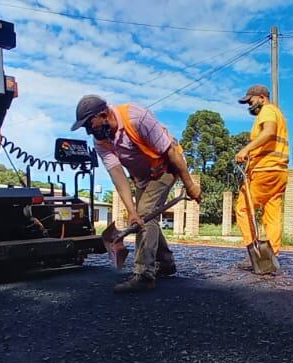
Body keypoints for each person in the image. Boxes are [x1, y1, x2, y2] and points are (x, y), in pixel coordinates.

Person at [72, 95, 203, 293]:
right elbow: (118, 177)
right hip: (142, 178)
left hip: (166, 168)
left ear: (103, 114)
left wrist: (190, 184)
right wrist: (130, 211)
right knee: (143, 218)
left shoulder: (136, 117)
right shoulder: (101, 141)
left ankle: (144, 275)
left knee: (144, 214)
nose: (89, 131)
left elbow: (171, 152)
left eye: (90, 125)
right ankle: (166, 263)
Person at [232, 84, 289, 273]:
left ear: (262, 98)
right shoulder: (278, 113)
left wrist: (246, 149)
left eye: (251, 100)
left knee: (243, 208)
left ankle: (254, 253)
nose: (249, 104)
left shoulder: (267, 110)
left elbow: (269, 132)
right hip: (279, 171)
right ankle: (271, 257)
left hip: (264, 170)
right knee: (272, 213)